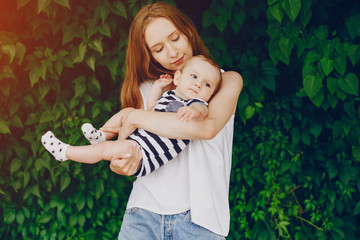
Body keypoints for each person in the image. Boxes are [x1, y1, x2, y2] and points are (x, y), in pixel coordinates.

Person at [99, 2, 243, 239]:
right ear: (149, 54)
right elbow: (135, 149)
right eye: (158, 48)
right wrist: (119, 164)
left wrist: (135, 116)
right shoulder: (149, 89)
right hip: (142, 215)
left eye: (175, 38)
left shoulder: (225, 82)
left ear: (187, 30)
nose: (172, 52)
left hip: (200, 223)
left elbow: (206, 128)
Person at [41, 55, 222, 178]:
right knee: (128, 112)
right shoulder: (170, 96)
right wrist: (158, 88)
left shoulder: (194, 104)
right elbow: (150, 111)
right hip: (139, 140)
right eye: (194, 76)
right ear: (177, 78)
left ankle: (65, 152)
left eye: (207, 84)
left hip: (143, 156)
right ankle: (102, 134)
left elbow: (203, 109)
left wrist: (195, 111)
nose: (198, 84)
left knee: (106, 150)